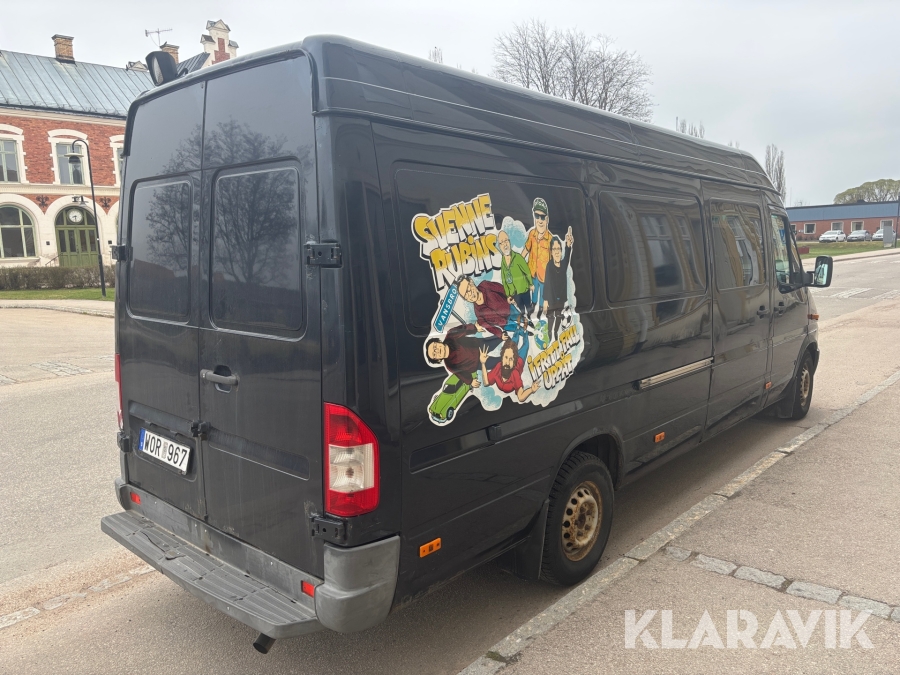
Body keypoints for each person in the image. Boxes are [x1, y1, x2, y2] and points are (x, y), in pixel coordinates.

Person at [425, 323, 501, 387]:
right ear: (438, 360)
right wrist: (470, 381)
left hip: (478, 345)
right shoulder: (450, 365)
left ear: (438, 341)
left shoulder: (450, 336)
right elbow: (461, 374)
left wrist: (474, 328)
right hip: (478, 363)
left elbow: (463, 329)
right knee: (499, 362)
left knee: (500, 338)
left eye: (435, 346)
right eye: (434, 354)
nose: (437, 350)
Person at [523, 198, 553, 319]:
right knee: (534, 292)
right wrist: (517, 261)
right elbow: (526, 250)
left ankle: (540, 309)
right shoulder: (532, 234)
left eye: (542, 217)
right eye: (537, 216)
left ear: (547, 219)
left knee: (542, 295)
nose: (540, 220)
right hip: (533, 272)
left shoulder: (550, 239)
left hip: (544, 276)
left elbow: (554, 261)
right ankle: (533, 305)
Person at [543, 227, 573, 343]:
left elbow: (568, 256)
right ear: (551, 251)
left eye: (559, 249)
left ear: (561, 250)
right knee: (551, 317)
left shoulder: (563, 264)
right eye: (554, 249)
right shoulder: (549, 266)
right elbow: (546, 282)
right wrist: (546, 300)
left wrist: (568, 245)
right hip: (552, 298)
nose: (557, 251)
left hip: (561, 298)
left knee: (559, 315)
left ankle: (556, 331)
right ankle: (550, 332)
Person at [497, 230, 533, 318]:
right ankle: (526, 319)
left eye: (506, 241)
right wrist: (508, 295)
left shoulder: (518, 257)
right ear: (500, 246)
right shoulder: (503, 262)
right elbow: (504, 280)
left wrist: (531, 284)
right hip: (514, 293)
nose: (505, 244)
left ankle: (531, 317)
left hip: (524, 289)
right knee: (521, 309)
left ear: (509, 242)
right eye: (502, 243)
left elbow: (526, 271)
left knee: (528, 306)